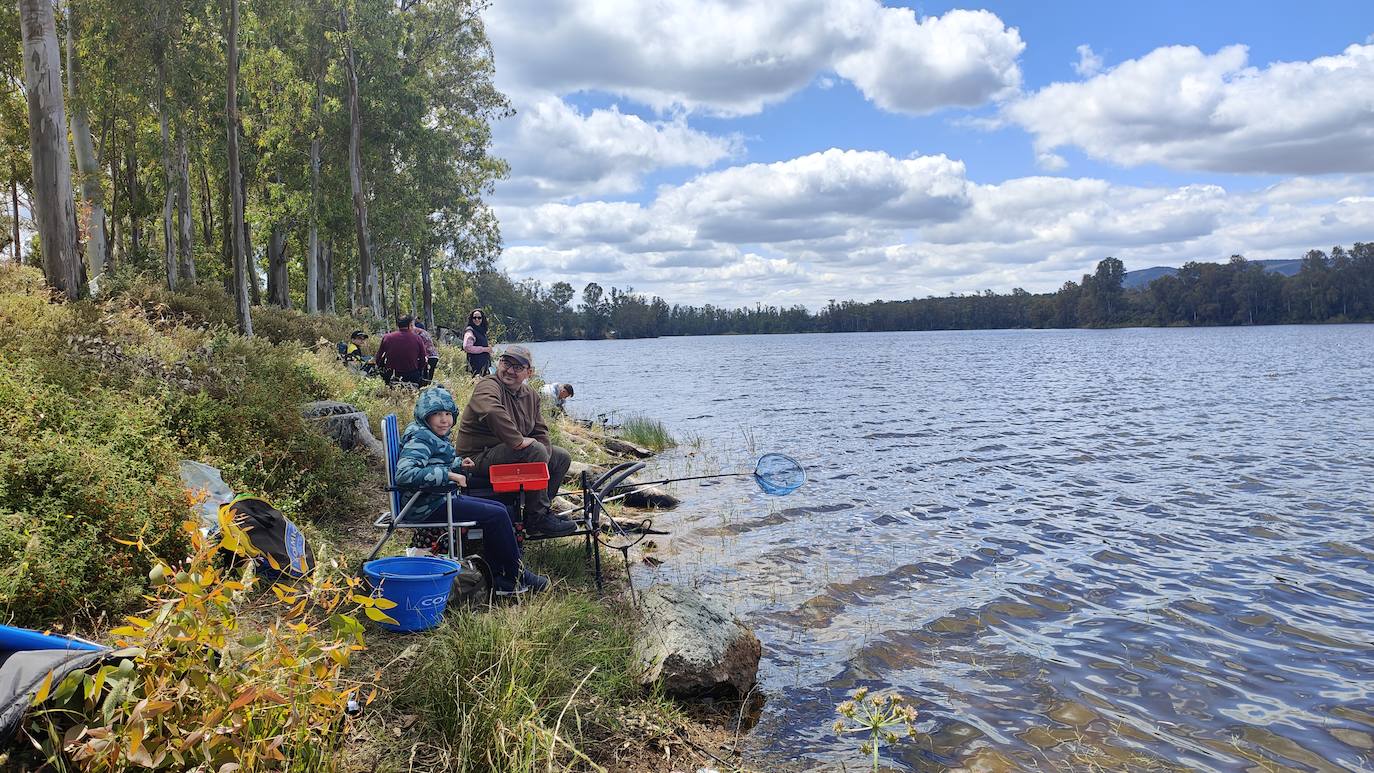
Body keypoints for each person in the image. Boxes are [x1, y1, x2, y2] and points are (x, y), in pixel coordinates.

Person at [395, 387, 548, 594]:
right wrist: (448, 475)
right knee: (497, 514)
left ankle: (499, 575)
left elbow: (434, 462)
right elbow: (405, 474)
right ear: (425, 416)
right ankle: (515, 575)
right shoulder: (421, 438)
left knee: (499, 508)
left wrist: (458, 464)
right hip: (427, 505)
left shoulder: (430, 435)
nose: (444, 420)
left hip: (436, 499)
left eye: (448, 414)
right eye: (437, 414)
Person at [455, 345, 575, 537]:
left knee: (561, 457)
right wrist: (518, 441)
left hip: (509, 454)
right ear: (499, 363)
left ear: (529, 372)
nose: (510, 370)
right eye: (506, 363)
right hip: (476, 457)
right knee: (533, 450)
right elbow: (491, 411)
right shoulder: (488, 385)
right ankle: (538, 518)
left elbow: (539, 430)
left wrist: (543, 455)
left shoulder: (531, 395)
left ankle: (537, 514)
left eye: (518, 367)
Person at [376, 315, 427, 387]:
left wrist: (383, 370)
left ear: (398, 325)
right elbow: (423, 359)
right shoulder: (417, 338)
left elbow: (379, 358)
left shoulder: (387, 337)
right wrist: (418, 370)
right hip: (412, 375)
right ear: (410, 325)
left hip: (392, 375)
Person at [463, 309, 493, 376]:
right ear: (471, 319)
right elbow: (467, 347)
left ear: (482, 319)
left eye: (479, 318)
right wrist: (484, 349)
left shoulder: (481, 331)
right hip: (475, 366)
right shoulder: (470, 331)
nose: (477, 319)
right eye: (474, 318)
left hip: (484, 365)